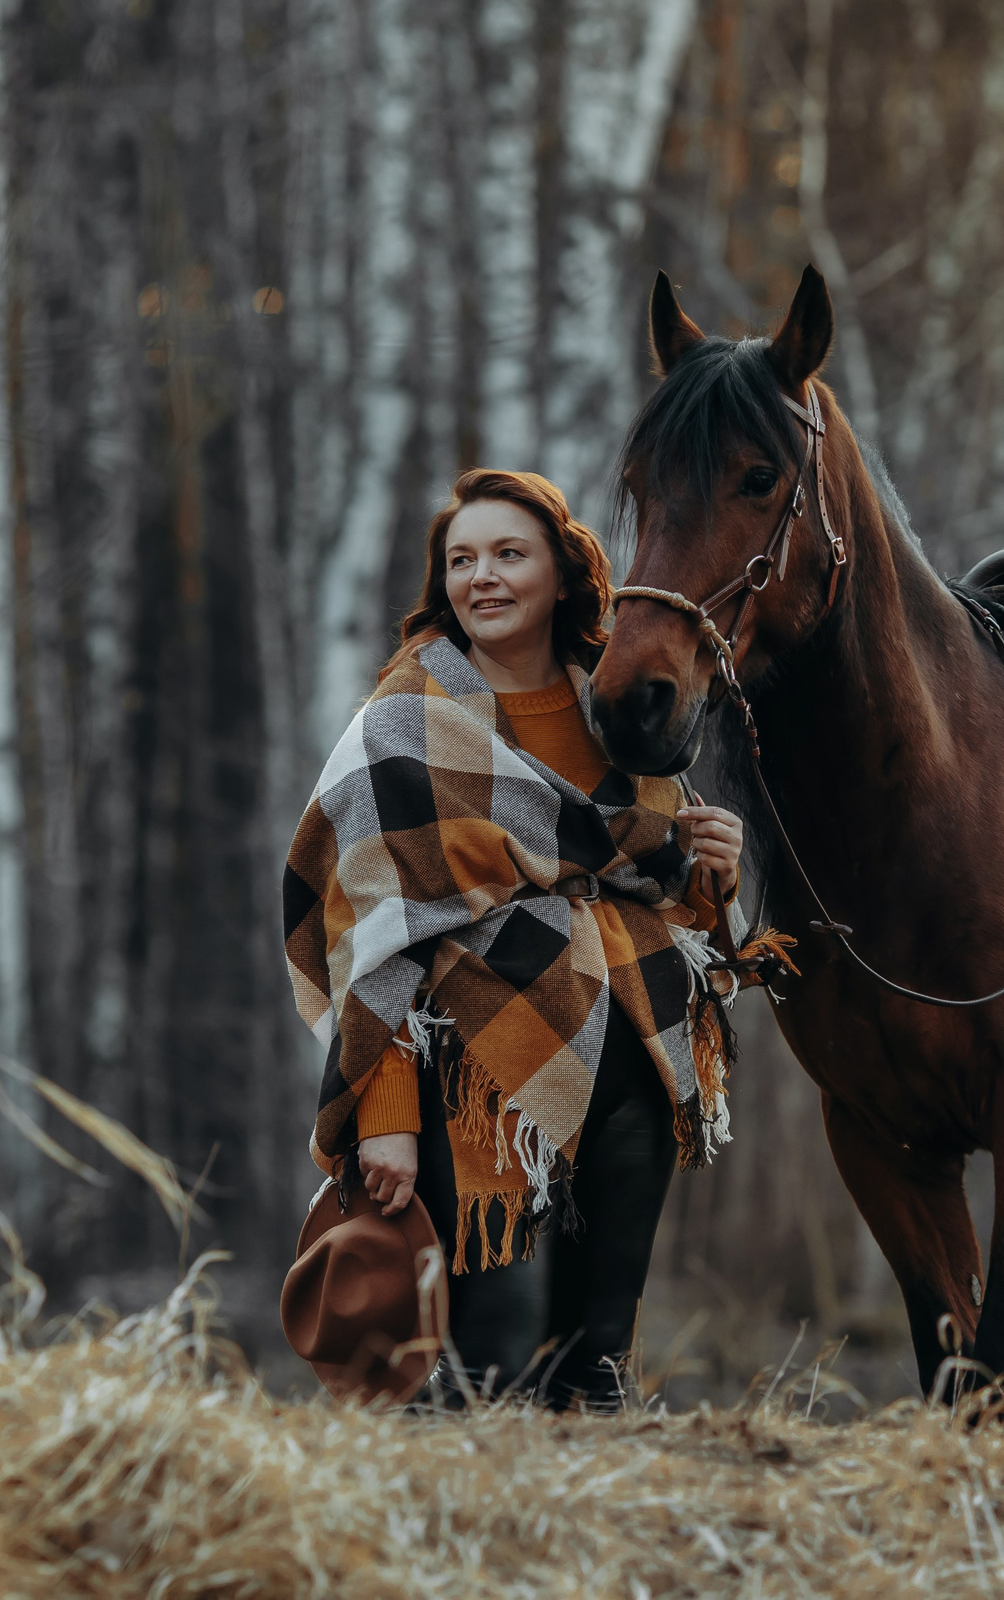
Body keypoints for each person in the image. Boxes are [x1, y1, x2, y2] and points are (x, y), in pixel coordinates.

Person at [286, 469, 744, 1410]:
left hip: (637, 1073)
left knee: (599, 1369)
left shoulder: (618, 710)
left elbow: (669, 895)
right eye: (461, 560)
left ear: (565, 574)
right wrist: (388, 1122)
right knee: (488, 1371)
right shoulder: (404, 723)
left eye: (507, 554)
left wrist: (714, 867)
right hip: (481, 1093)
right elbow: (367, 943)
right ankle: (471, 1550)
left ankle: (583, 1555)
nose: (481, 578)